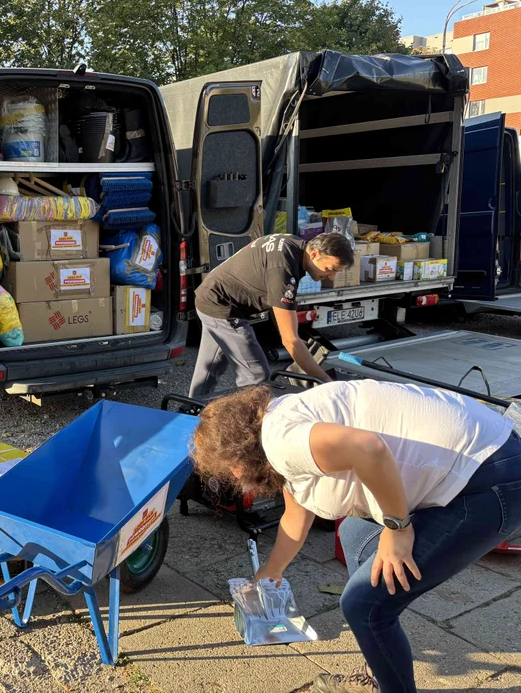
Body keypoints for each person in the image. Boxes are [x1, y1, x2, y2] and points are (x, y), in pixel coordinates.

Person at [191, 380, 521, 693]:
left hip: (489, 480)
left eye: (229, 470)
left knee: (363, 606)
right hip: (480, 454)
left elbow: (368, 447)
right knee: (355, 532)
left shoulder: (282, 442)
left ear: (238, 459)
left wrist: (397, 528)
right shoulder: (275, 424)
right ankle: (378, 668)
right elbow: (297, 513)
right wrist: (271, 572)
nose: (235, 479)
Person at [188, 232, 354, 398]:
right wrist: (324, 381)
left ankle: (190, 412)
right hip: (222, 306)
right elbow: (290, 340)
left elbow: (279, 307)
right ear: (315, 253)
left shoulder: (295, 246)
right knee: (255, 376)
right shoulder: (283, 268)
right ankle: (254, 422)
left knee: (209, 370)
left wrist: (296, 342)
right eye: (330, 269)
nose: (331, 278)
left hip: (211, 294)